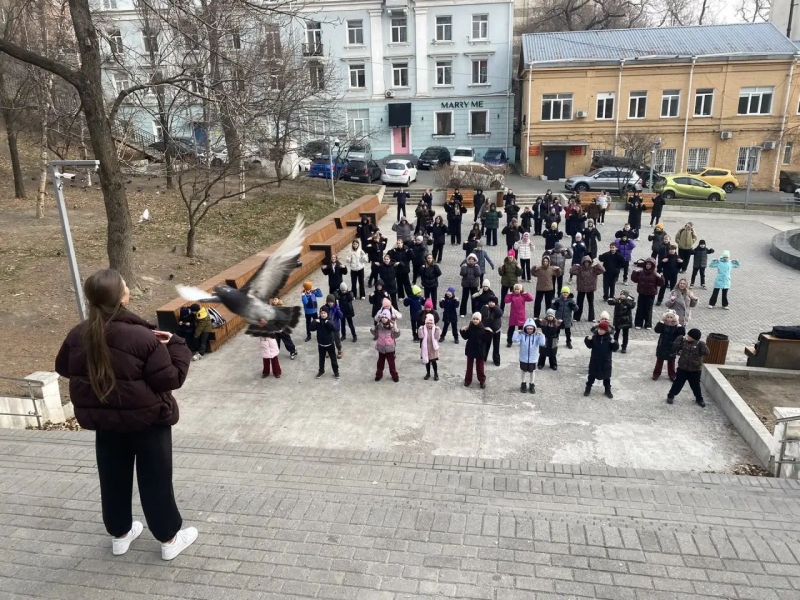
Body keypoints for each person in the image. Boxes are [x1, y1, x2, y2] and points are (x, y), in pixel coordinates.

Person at [55, 269, 196, 561]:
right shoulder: (142, 337)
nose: (128, 287)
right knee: (155, 478)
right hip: (147, 421)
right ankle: (169, 539)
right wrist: (177, 345)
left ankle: (120, 534)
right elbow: (170, 378)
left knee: (112, 477)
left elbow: (64, 367)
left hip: (105, 422)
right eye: (125, 285)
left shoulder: (78, 333)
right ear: (121, 297)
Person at [667, 329, 709, 407]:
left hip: (695, 370)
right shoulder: (684, 342)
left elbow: (706, 352)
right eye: (688, 335)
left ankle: (699, 399)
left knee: (695, 385)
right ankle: (671, 396)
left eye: (690, 336)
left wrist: (703, 345)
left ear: (695, 338)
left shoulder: (700, 344)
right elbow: (675, 346)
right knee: (677, 383)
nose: (688, 337)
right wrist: (679, 338)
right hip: (682, 368)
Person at [583, 320, 619, 398]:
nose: (600, 331)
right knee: (591, 376)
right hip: (595, 361)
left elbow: (615, 348)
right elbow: (589, 346)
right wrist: (587, 339)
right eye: (599, 329)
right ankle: (588, 388)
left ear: (605, 331)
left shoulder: (609, 339)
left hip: (605, 362)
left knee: (606, 377)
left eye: (602, 330)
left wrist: (615, 343)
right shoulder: (595, 337)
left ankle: (607, 390)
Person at [513, 319, 545, 394]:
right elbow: (514, 340)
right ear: (525, 328)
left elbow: (542, 343)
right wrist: (516, 332)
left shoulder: (537, 336)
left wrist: (542, 335)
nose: (529, 330)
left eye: (531, 329)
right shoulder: (522, 336)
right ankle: (523, 383)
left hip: (532, 359)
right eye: (528, 329)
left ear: (534, 328)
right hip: (523, 358)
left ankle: (532, 384)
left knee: (532, 371)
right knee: (523, 371)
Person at [631, 257, 664, 329]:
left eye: (649, 264)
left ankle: (648, 324)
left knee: (648, 309)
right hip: (642, 293)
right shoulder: (641, 272)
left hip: (651, 294)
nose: (648, 266)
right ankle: (638, 323)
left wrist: (660, 277)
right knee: (640, 308)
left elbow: (661, 283)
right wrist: (635, 272)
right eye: (647, 264)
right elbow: (634, 279)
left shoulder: (655, 274)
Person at [460, 312, 491, 388]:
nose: (475, 320)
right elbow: (465, 337)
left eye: (477, 319)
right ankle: (468, 380)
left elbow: (486, 339)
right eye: (474, 319)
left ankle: (482, 380)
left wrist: (490, 332)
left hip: (480, 350)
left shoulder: (483, 329)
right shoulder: (470, 328)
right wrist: (462, 330)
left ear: (480, 320)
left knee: (480, 367)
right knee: (469, 367)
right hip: (470, 349)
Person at [570, 256, 605, 322]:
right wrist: (575, 265)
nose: (586, 263)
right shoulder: (579, 269)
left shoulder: (594, 269)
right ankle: (576, 317)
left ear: (590, 262)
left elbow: (603, 270)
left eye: (588, 262)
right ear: (582, 262)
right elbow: (571, 271)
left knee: (591, 303)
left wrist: (597, 264)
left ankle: (591, 318)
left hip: (590, 289)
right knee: (579, 303)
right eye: (585, 262)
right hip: (581, 288)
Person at [653, 310, 685, 381]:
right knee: (659, 361)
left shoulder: (676, 326)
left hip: (672, 346)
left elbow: (682, 333)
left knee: (671, 362)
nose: (669, 319)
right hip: (662, 345)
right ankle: (656, 374)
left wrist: (680, 327)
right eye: (668, 317)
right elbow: (657, 330)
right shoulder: (663, 324)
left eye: (671, 317)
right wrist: (660, 323)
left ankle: (672, 375)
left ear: (674, 318)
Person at [371, 309, 400, 382]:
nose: (384, 319)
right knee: (380, 362)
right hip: (381, 347)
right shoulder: (378, 326)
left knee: (391, 363)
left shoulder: (392, 326)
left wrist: (397, 330)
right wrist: (373, 328)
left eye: (386, 317)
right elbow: (374, 333)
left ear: (389, 318)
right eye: (382, 317)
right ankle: (378, 374)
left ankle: (394, 375)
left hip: (390, 347)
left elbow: (396, 335)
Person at [310, 306, 339, 379]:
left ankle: (336, 371)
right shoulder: (318, 321)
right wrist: (314, 321)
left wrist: (328, 322)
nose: (323, 314)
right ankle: (321, 371)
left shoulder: (330, 320)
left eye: (324, 313)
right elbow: (311, 329)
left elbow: (335, 329)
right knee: (321, 359)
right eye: (321, 313)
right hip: (321, 344)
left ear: (327, 314)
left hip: (330, 343)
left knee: (333, 358)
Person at [480, 295, 503, 366]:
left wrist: (495, 307)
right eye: (490, 302)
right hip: (487, 330)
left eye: (493, 302)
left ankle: (496, 360)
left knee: (496, 346)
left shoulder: (497, 308)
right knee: (485, 345)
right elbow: (482, 314)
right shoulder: (485, 308)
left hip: (496, 330)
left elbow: (500, 314)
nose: (491, 303)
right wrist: (485, 308)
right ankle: (483, 358)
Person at [418, 314, 442, 381]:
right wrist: (420, 330)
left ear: (433, 323)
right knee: (427, 362)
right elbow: (421, 337)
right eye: (427, 323)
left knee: (434, 362)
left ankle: (436, 374)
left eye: (431, 323)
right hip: (426, 349)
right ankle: (428, 373)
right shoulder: (423, 329)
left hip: (433, 349)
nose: (429, 325)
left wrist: (438, 331)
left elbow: (437, 337)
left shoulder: (435, 329)